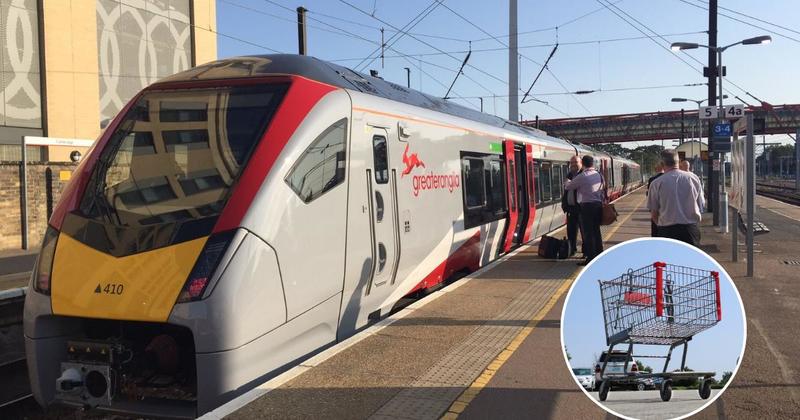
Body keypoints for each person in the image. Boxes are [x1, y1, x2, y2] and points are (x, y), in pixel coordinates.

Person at [648, 150, 705, 246]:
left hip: (666, 231)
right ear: (679, 162)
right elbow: (701, 205)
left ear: (662, 164)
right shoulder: (693, 179)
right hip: (690, 231)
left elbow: (654, 214)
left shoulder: (656, 183)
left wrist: (663, 226)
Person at [564, 155, 604, 265]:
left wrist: (567, 181)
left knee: (588, 234)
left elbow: (569, 187)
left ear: (582, 163)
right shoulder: (598, 174)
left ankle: (590, 258)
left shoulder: (583, 176)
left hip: (587, 207)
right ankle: (599, 254)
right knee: (596, 232)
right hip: (597, 205)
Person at [561, 155, 584, 256]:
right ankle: (572, 250)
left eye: (576, 162)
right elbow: (566, 190)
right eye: (572, 163)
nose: (573, 164)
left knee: (584, 232)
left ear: (581, 163)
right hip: (571, 209)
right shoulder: (569, 175)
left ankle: (586, 252)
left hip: (581, 209)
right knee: (571, 231)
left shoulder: (583, 175)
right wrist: (565, 205)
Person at [646, 163, 665, 237]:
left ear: (656, 169)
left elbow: (649, 195)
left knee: (655, 232)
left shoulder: (652, 179)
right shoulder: (671, 178)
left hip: (656, 210)